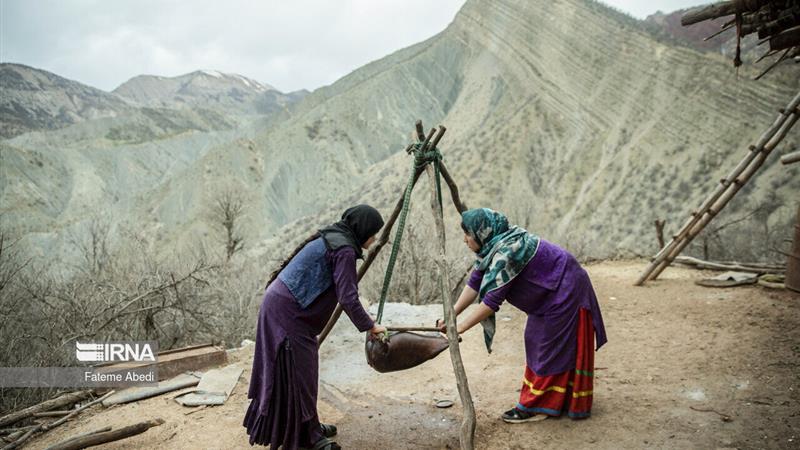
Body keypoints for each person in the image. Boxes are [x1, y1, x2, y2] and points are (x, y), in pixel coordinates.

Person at [438, 208, 607, 423]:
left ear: (481, 234)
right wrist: (450, 316)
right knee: (538, 341)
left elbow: (490, 303)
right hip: (553, 289)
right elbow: (475, 283)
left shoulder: (507, 254)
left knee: (546, 345)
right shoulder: (493, 247)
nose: (465, 240)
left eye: (468, 234)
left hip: (566, 290)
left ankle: (538, 406)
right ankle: (554, 398)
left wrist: (458, 328)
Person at [244, 205, 387, 450]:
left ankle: (308, 425)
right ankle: (308, 438)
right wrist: (370, 326)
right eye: (373, 233)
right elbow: (348, 297)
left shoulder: (334, 238)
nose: (374, 238)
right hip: (288, 314)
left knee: (300, 374)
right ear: (362, 230)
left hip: (281, 304)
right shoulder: (344, 250)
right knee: (301, 375)